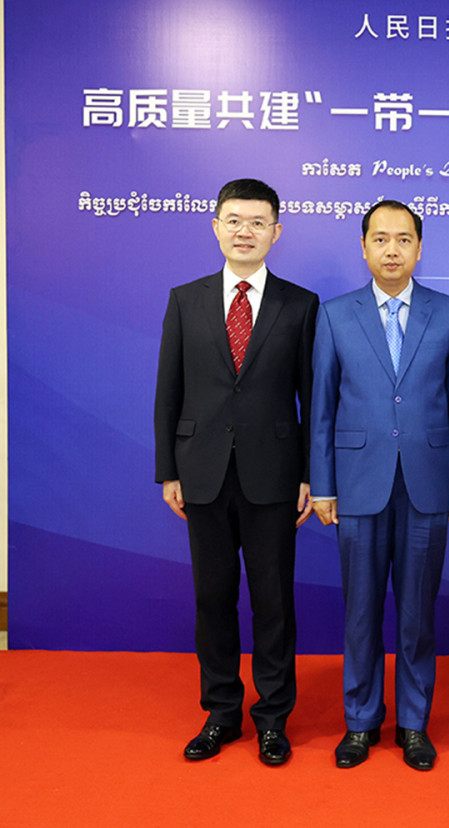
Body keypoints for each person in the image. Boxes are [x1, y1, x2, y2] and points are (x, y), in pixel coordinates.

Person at [154, 178, 318, 766]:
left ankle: (273, 718)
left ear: (276, 231)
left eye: (257, 222)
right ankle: (221, 713)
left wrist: (310, 474)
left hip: (274, 476)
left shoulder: (300, 304)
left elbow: (312, 397)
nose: (245, 232)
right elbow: (168, 390)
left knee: (274, 603)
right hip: (201, 473)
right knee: (213, 598)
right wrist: (167, 469)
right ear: (216, 227)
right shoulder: (186, 299)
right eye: (234, 220)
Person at [310, 200, 449, 772]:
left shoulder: (448, 313)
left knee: (416, 614)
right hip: (357, 483)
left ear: (419, 248)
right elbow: (322, 409)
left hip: (427, 483)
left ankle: (413, 723)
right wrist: (323, 485)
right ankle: (360, 721)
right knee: (360, 612)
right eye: (380, 239)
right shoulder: (335, 315)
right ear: (363, 247)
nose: (391, 250)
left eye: (403, 239)